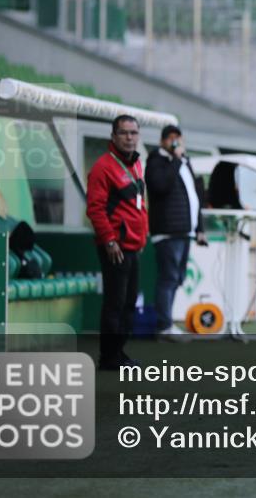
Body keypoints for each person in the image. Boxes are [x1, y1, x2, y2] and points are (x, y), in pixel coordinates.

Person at [87, 115, 149, 369]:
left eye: (133, 133)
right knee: (115, 303)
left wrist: (142, 235)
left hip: (133, 245)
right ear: (113, 136)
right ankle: (108, 358)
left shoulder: (135, 164)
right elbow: (95, 208)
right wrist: (110, 240)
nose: (129, 137)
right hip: (115, 247)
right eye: (124, 133)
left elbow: (138, 206)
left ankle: (118, 352)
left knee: (128, 303)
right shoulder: (103, 167)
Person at [146, 124, 208, 341]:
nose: (176, 143)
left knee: (177, 278)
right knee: (169, 278)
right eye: (171, 139)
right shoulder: (156, 160)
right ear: (163, 141)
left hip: (185, 230)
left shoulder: (184, 161)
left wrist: (200, 228)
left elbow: (195, 196)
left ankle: (167, 323)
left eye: (178, 138)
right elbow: (160, 186)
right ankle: (164, 326)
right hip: (168, 232)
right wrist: (175, 160)